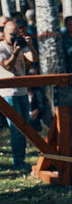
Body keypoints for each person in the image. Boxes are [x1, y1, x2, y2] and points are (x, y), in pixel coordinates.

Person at [0, 21, 39, 170]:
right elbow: (8, 66)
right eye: (12, 34)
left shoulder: (20, 44)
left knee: (25, 127)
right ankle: (18, 162)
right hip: (8, 94)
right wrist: (16, 51)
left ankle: (21, 158)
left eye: (17, 33)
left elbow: (34, 59)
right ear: (4, 33)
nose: (15, 37)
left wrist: (30, 45)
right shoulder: (2, 47)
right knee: (16, 129)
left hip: (22, 92)